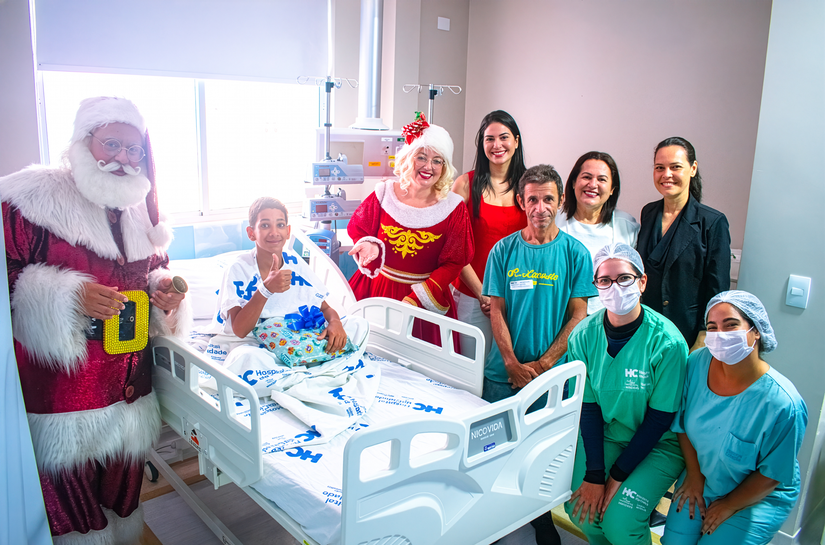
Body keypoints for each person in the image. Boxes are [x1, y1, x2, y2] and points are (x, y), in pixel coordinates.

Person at [1, 97, 191, 544]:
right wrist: (69, 295)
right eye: (112, 144)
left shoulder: (140, 209)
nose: (123, 158)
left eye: (134, 149)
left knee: (123, 488)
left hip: (129, 381)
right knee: (70, 495)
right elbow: (8, 275)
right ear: (84, 142)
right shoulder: (28, 201)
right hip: (65, 389)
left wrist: (163, 287)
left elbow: (152, 267)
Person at [481, 164, 595, 544]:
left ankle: (542, 522)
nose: (540, 208)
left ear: (560, 201)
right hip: (503, 375)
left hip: (554, 378)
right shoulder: (503, 251)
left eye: (548, 199)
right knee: (495, 452)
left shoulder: (575, 254)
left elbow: (578, 314)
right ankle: (488, 524)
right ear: (521, 201)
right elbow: (496, 310)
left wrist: (545, 364)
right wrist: (511, 364)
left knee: (542, 456)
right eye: (532, 199)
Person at [563, 243, 688, 545]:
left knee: (621, 522)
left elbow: (660, 419)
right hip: (609, 434)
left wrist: (616, 477)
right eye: (604, 280)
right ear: (595, 285)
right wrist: (595, 475)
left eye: (624, 278)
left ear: (642, 282)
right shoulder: (583, 336)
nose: (614, 287)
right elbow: (588, 408)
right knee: (581, 510)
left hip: (659, 443)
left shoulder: (667, 343)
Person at [663, 291, 808, 545]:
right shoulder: (697, 363)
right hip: (704, 474)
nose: (720, 335)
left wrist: (730, 504)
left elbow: (772, 474)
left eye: (730, 325)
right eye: (712, 327)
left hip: (760, 493)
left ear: (756, 330)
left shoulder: (783, 404)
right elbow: (682, 424)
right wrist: (694, 476)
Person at [347, 113, 473, 345]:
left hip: (423, 301)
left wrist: (416, 299)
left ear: (444, 167)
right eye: (421, 157)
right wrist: (369, 244)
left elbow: (454, 261)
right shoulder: (384, 193)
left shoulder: (454, 207)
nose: (428, 166)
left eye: (437, 161)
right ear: (408, 158)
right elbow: (359, 227)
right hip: (376, 291)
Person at [205, 196, 346, 357]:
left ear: (288, 231)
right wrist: (265, 290)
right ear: (251, 233)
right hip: (253, 344)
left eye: (280, 225)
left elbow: (326, 308)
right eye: (265, 225)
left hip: (295, 339)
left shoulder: (296, 265)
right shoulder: (239, 268)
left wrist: (335, 322)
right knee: (247, 357)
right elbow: (240, 330)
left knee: (357, 324)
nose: (274, 232)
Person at [637, 137, 731, 351]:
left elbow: (717, 289)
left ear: (693, 169)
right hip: (647, 327)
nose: (666, 174)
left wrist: (703, 336)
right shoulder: (648, 213)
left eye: (675, 167)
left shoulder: (712, 222)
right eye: (659, 167)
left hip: (686, 333)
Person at [450, 110, 527, 357]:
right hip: (473, 296)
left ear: (516, 141)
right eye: (489, 139)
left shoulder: (530, 186)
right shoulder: (465, 184)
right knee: (471, 367)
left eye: (504, 137)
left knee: (511, 367)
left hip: (518, 297)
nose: (497, 145)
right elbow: (453, 246)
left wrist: (506, 297)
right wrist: (483, 294)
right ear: (482, 144)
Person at [556, 151, 640, 315]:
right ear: (573, 182)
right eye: (586, 177)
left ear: (612, 189)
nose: (593, 184)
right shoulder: (553, 221)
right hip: (560, 317)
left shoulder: (627, 226)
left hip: (611, 319)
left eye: (602, 179)